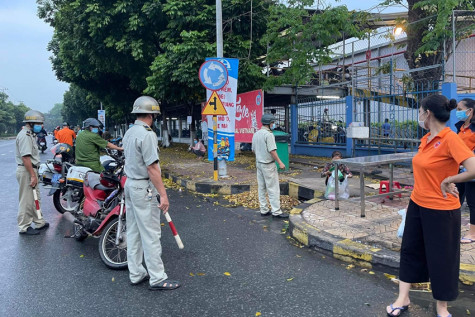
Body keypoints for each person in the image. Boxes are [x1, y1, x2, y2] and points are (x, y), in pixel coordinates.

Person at [386, 95, 475, 317]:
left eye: (420, 111)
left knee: (442, 258)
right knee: (409, 251)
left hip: (442, 210)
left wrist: (449, 180)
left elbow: (473, 168)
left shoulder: (450, 138)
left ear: (428, 113)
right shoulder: (426, 139)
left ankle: (441, 307)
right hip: (417, 204)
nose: (419, 116)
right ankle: (402, 297)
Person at [123, 96, 180, 290]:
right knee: (151, 234)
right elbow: (153, 168)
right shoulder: (147, 134)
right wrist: (163, 195)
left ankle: (136, 273)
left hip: (130, 185)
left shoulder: (129, 132)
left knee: (133, 231)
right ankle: (157, 278)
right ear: (151, 114)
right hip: (143, 187)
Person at [15, 110, 49, 235]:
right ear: (30, 123)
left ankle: (39, 222)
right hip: (26, 170)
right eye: (39, 123)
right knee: (26, 199)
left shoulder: (31, 134)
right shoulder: (25, 136)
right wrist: (33, 175)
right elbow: (25, 158)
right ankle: (24, 226)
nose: (41, 126)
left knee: (35, 197)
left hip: (31, 169)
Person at [252, 114, 288, 218]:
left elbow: (253, 150)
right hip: (268, 165)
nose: (274, 124)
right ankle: (276, 211)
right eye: (273, 122)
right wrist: (280, 162)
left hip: (259, 164)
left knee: (261, 187)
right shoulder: (269, 135)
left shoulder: (256, 134)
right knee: (273, 189)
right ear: (269, 123)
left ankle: (263, 209)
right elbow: (272, 151)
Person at [455, 98, 475, 244]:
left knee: (472, 202)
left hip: (472, 170)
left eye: (459, 109)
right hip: (459, 170)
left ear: (470, 111)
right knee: (457, 198)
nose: (457, 112)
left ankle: (473, 233)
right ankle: (453, 226)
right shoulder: (461, 127)